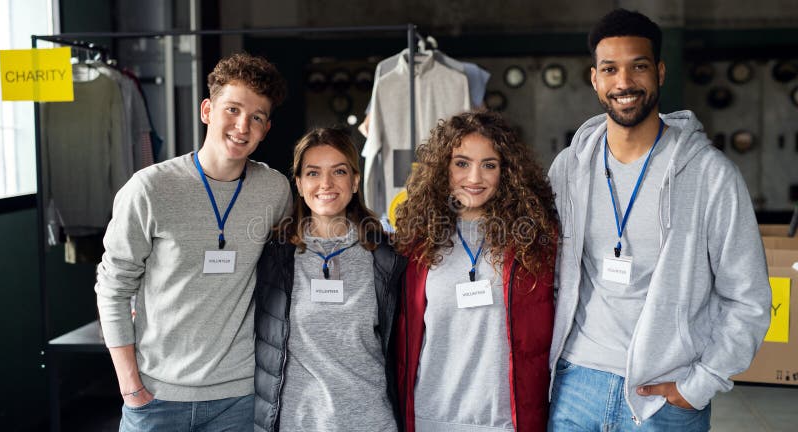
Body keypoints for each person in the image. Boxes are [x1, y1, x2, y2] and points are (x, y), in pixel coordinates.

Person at [547, 9, 771, 431]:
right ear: (594, 79)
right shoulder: (568, 169)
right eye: (610, 69)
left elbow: (749, 297)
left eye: (639, 66)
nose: (624, 82)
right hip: (576, 386)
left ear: (661, 72)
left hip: (665, 395)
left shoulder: (710, 175)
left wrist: (699, 384)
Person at [95, 53, 292, 431]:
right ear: (207, 110)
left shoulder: (274, 190)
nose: (242, 126)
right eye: (232, 109)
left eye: (256, 117)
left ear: (266, 128)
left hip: (238, 398)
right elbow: (114, 287)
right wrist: (130, 387)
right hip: (156, 396)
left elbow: (282, 275)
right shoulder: (150, 188)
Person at [394, 110, 559, 432]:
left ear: (507, 171)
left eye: (489, 165)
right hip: (431, 418)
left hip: (506, 421)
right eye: (461, 163)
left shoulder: (536, 240)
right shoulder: (417, 242)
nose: (474, 178)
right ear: (443, 168)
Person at [253, 127, 407, 431]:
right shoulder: (274, 256)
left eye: (338, 171)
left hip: (372, 421)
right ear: (298, 183)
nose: (326, 184)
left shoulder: (386, 255)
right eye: (313, 173)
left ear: (355, 181)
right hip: (298, 422)